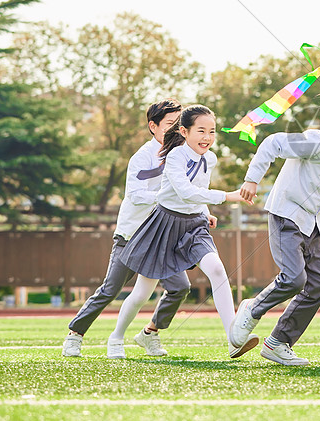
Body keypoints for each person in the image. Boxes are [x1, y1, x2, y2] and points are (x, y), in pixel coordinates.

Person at [229, 79, 320, 366]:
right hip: (286, 213)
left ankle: (278, 343)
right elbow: (272, 143)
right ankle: (251, 309)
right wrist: (251, 179)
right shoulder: (319, 141)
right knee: (294, 279)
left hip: (311, 220)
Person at [114, 104, 259, 359]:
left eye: (212, 132)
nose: (207, 138)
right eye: (201, 131)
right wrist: (228, 196)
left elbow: (199, 190)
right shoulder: (175, 156)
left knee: (216, 269)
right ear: (183, 131)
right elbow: (185, 191)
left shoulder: (210, 159)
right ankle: (116, 337)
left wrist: (205, 213)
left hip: (193, 226)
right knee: (141, 294)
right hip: (163, 226)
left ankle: (233, 339)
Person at [63, 99, 191, 359]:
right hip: (131, 236)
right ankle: (75, 335)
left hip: (161, 238)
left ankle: (150, 333)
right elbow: (135, 194)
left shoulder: (183, 155)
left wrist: (204, 212)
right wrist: (164, 197)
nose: (177, 130)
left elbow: (189, 191)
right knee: (110, 289)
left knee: (180, 286)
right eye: (170, 124)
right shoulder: (142, 157)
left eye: (179, 124)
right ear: (153, 126)